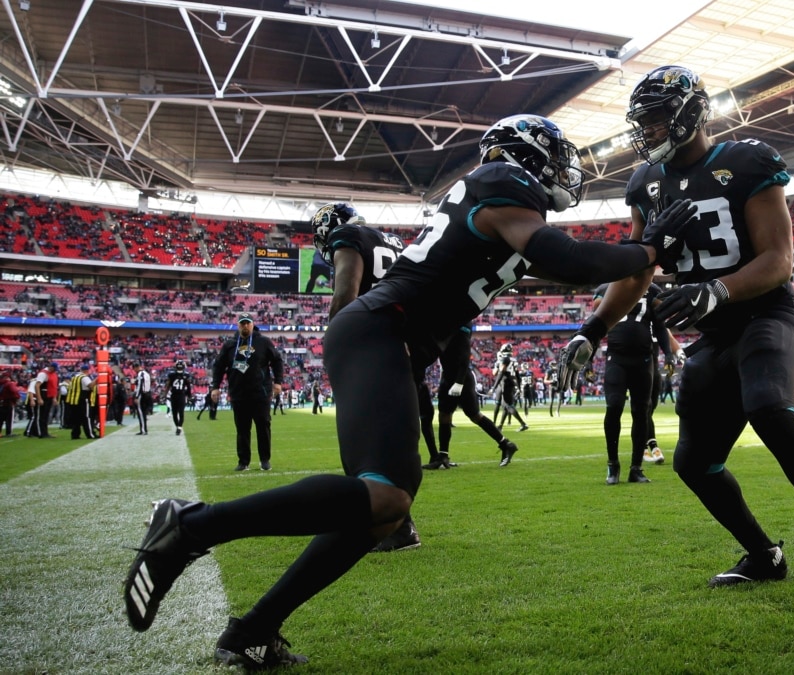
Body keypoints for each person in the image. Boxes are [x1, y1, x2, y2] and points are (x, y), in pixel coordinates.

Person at [122, 113, 692, 668]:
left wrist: (630, 276)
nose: (563, 170)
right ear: (527, 156)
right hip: (380, 330)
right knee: (387, 496)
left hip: (387, 338)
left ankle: (252, 630)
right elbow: (564, 258)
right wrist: (649, 249)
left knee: (381, 512)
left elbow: (566, 263)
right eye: (555, 156)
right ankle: (191, 526)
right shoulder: (502, 185)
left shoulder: (500, 198)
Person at [561, 67, 794, 641]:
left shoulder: (747, 161)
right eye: (645, 119)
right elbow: (639, 268)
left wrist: (715, 289)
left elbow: (779, 260)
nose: (650, 128)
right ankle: (764, 555)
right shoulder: (646, 182)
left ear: (691, 112)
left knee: (768, 407)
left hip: (764, 315)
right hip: (713, 334)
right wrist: (593, 328)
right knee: (691, 463)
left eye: (660, 115)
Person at [311, 200, 418, 553]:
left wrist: (336, 340)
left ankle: (387, 526)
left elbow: (345, 294)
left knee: (359, 444)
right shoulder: (394, 241)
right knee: (390, 441)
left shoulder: (348, 236)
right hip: (400, 345)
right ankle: (397, 527)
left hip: (367, 346)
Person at [591, 282, 675, 484]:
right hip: (616, 358)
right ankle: (613, 465)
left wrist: (669, 355)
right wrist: (588, 361)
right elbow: (596, 323)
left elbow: (661, 325)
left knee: (642, 412)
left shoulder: (653, 290)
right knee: (614, 406)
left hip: (644, 360)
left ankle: (636, 468)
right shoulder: (606, 288)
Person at [426, 326, 519, 469]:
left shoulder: (461, 328)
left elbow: (464, 358)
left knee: (474, 415)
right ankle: (443, 456)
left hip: (460, 377)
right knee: (444, 415)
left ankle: (506, 444)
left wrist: (458, 383)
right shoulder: (444, 330)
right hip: (447, 375)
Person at [209, 314, 284, 471]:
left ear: (252, 324)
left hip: (261, 392)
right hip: (238, 393)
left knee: (263, 427)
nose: (245, 326)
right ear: (238, 325)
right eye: (242, 323)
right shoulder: (229, 345)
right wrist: (215, 386)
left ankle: (265, 460)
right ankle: (243, 462)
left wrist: (278, 382)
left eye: (247, 323)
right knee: (242, 429)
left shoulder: (263, 342)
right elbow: (219, 366)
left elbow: (277, 360)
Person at [490, 343, 528, 433]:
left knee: (507, 406)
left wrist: (494, 387)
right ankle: (500, 426)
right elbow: (518, 375)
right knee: (506, 406)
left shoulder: (504, 359)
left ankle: (523, 424)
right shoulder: (514, 360)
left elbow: (501, 373)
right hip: (511, 382)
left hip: (505, 383)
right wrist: (518, 388)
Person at [64, 362, 97, 439]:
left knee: (76, 418)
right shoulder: (84, 377)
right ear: (87, 371)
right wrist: (97, 380)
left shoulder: (74, 377)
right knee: (87, 417)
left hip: (74, 400)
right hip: (83, 398)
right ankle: (90, 434)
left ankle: (75, 434)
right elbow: (90, 386)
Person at [25, 362, 58, 438]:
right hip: (44, 395)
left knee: (45, 416)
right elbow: (37, 386)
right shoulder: (43, 374)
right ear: (51, 367)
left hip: (49, 395)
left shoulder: (52, 374)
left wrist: (54, 398)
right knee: (41, 416)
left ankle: (44, 432)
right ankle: (40, 432)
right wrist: (39, 398)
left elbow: (53, 387)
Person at [166, 360, 193, 436]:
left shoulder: (172, 375)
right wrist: (189, 396)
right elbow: (188, 387)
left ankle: (179, 427)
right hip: (180, 395)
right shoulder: (185, 375)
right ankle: (179, 427)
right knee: (179, 413)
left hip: (176, 395)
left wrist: (165, 394)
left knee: (177, 413)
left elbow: (168, 386)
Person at [131, 362, 152, 435]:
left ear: (136, 367)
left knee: (141, 413)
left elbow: (139, 385)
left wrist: (136, 396)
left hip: (142, 395)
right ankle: (144, 429)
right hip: (148, 393)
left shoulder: (140, 374)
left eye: (134, 369)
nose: (134, 371)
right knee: (144, 413)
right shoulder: (146, 373)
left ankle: (143, 429)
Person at [0, 371, 19, 436]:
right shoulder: (9, 384)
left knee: (0, 419)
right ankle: (9, 432)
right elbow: (14, 391)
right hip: (8, 403)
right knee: (9, 419)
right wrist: (16, 399)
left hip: (1, 403)